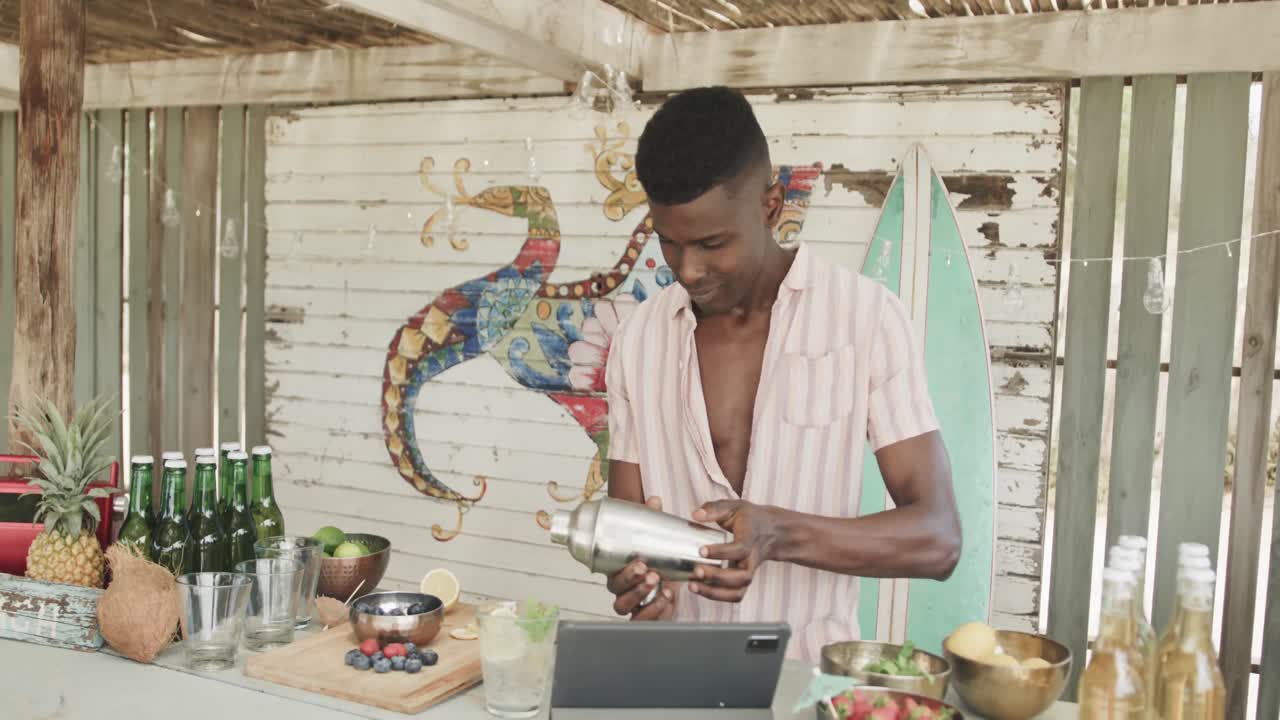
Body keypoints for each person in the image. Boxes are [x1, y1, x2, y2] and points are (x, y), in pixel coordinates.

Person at [602, 86, 963, 663]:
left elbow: (939, 538)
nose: (688, 269)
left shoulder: (866, 319)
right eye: (668, 243)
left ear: (771, 205)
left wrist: (778, 534)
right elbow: (626, 533)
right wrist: (639, 582)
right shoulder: (638, 339)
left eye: (712, 243)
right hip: (674, 679)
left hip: (809, 684)